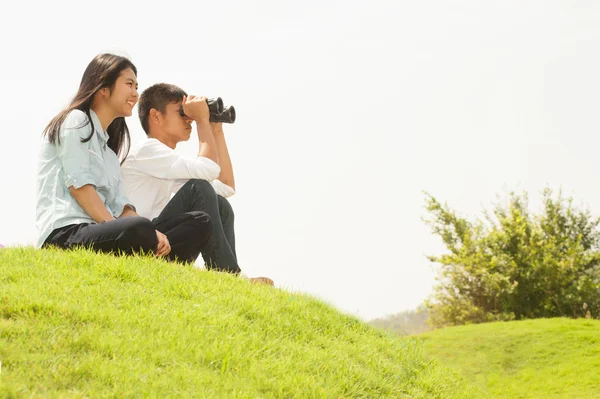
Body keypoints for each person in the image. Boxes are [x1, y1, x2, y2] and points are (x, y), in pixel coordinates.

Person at [36, 54, 211, 264]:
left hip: (101, 231)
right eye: (129, 84)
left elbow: (122, 208)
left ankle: (156, 268)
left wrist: (154, 233)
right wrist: (121, 228)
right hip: (66, 234)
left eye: (137, 86)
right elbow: (79, 187)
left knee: (199, 222)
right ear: (103, 87)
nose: (136, 93)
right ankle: (148, 257)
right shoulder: (76, 120)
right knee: (140, 229)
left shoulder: (109, 153)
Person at [120, 83, 273, 285]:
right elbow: (206, 171)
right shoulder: (147, 150)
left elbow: (225, 186)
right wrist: (201, 120)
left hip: (158, 243)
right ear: (156, 116)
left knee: (221, 205)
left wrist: (215, 130)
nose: (189, 120)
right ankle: (228, 275)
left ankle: (228, 275)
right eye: (181, 113)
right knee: (199, 187)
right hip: (135, 245)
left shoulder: (168, 162)